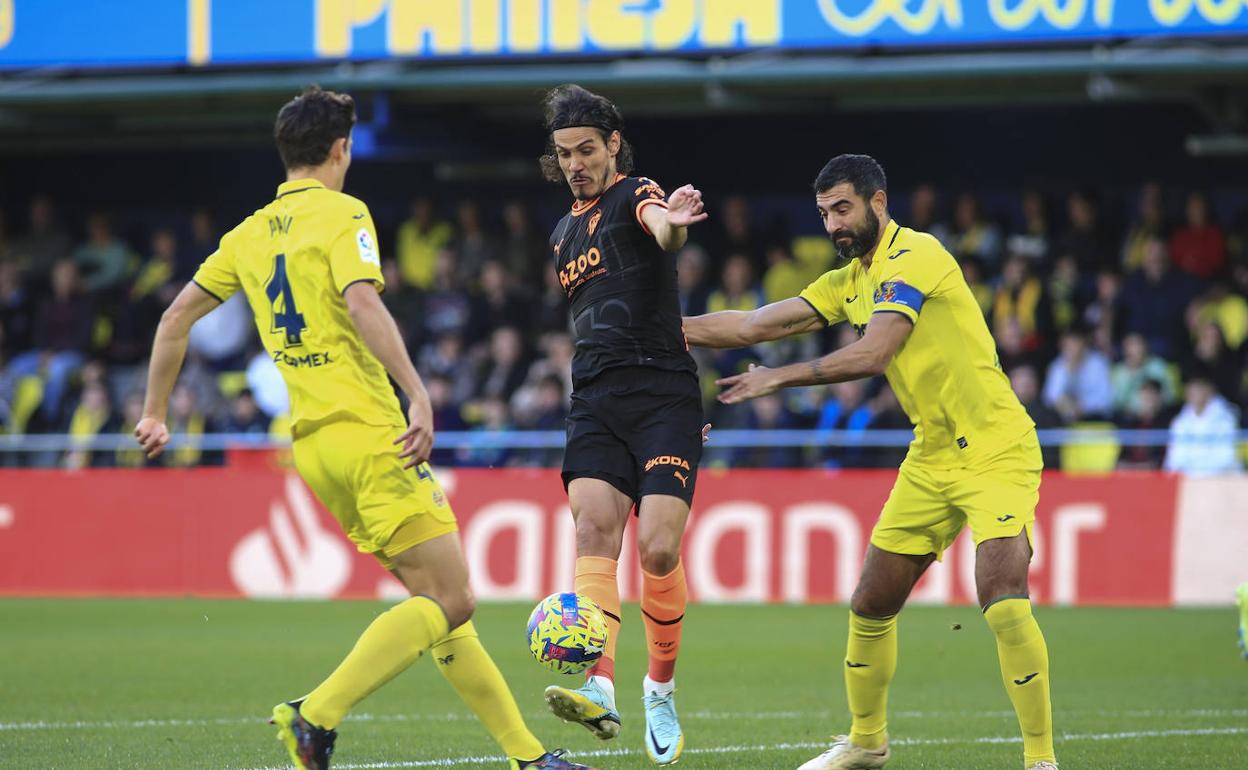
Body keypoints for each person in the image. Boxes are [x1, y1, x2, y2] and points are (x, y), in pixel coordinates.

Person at [133, 86, 595, 770]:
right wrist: (418, 392)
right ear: (341, 149)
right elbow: (360, 302)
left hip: (314, 447)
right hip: (371, 432)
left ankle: (529, 758)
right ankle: (312, 714)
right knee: (455, 598)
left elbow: (174, 319)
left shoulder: (247, 233)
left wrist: (154, 412)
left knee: (435, 605)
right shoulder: (344, 213)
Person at [683, 154, 1058, 770]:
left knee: (1000, 590)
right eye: (824, 213)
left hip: (995, 446)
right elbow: (753, 325)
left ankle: (1040, 760)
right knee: (871, 601)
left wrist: (779, 379)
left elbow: (876, 352)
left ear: (878, 202)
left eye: (843, 209)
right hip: (931, 453)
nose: (834, 224)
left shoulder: (918, 256)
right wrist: (661, 331)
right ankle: (866, 742)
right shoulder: (849, 280)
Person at [536, 83, 708, 766]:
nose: (577, 162)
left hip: (664, 394)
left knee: (658, 551)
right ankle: (599, 685)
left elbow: (659, 227)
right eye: (564, 153)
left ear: (612, 144)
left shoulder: (637, 192)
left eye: (586, 149)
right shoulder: (560, 234)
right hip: (596, 401)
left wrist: (676, 221)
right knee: (592, 530)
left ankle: (659, 688)